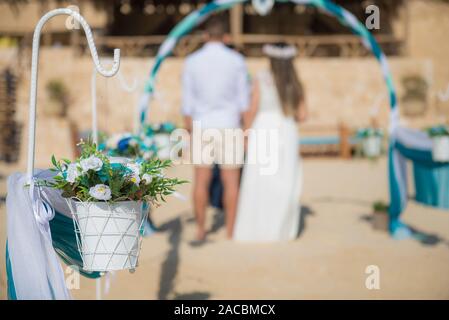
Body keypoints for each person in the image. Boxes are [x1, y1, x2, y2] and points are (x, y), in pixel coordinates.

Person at [181, 15, 250, 242]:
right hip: (229, 124)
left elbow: (187, 105)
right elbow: (244, 103)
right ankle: (231, 231)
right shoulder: (237, 61)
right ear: (226, 37)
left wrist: (189, 131)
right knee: (232, 182)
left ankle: (201, 229)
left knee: (201, 181)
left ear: (205, 36)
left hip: (202, 124)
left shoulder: (191, 62)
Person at [233, 43, 307, 242]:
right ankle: (281, 230)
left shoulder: (261, 78)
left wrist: (246, 134)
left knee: (261, 180)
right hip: (287, 130)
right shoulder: (295, 81)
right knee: (286, 179)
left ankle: (259, 229)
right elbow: (302, 115)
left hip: (264, 128)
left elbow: (253, 108)